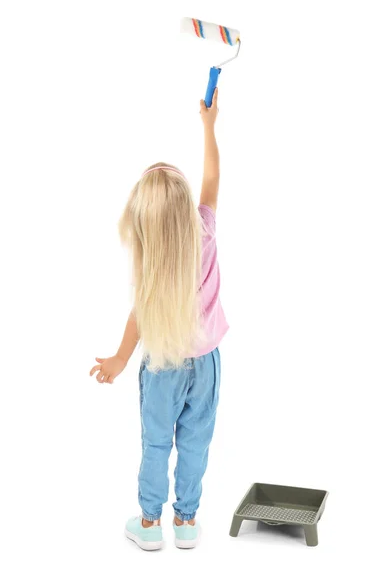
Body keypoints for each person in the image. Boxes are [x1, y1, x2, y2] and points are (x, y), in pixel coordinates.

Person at [90, 89, 228, 550]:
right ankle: (186, 522)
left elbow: (137, 320)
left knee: (156, 445)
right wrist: (208, 126)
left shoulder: (152, 266)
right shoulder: (204, 230)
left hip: (164, 365)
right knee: (194, 444)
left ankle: (150, 526)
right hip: (206, 365)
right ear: (186, 213)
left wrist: (118, 360)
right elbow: (212, 176)